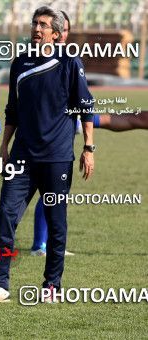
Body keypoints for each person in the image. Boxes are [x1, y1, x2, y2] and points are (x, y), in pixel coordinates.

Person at [0, 6, 95, 303]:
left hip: (57, 158)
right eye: (34, 23)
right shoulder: (20, 63)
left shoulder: (70, 63)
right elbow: (12, 110)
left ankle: (52, 285)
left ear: (56, 34)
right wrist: (4, 146)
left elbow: (85, 107)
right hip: (21, 156)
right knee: (6, 215)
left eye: (43, 24)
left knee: (56, 223)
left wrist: (88, 148)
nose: (36, 28)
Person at [30, 11, 148, 257]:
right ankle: (40, 245)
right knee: (48, 189)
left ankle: (42, 245)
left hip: (67, 121)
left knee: (130, 119)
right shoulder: (36, 61)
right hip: (44, 132)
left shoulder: (69, 60)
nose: (62, 35)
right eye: (58, 29)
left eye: (65, 31)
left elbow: (85, 106)